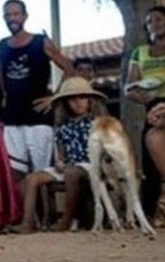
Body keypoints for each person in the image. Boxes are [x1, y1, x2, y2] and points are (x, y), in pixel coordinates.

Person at [12, 77, 102, 233]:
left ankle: (66, 221)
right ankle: (27, 223)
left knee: (71, 173)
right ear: (66, 103)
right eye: (72, 99)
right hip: (70, 164)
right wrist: (59, 161)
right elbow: (61, 153)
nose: (78, 103)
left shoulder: (97, 123)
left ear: (90, 100)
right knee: (31, 178)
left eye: (82, 98)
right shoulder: (63, 127)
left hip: (90, 164)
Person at [0, 0, 74, 178]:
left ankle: (43, 199)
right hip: (12, 117)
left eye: (16, 14)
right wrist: (5, 95)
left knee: (42, 172)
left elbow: (69, 68)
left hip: (38, 116)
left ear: (25, 16)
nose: (12, 18)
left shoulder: (40, 41)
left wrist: (54, 97)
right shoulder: (2, 45)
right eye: (8, 15)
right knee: (15, 172)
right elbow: (1, 73)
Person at [126, 6, 165, 216]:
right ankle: (149, 213)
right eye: (150, 21)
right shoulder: (139, 53)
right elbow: (129, 87)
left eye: (159, 19)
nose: (154, 24)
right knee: (149, 165)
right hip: (151, 107)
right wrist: (142, 97)